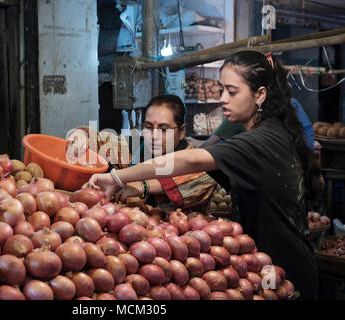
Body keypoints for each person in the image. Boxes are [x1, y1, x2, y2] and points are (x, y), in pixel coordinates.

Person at [85, 50, 321, 300]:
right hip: (266, 268)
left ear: (260, 94)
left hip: (285, 274)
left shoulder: (261, 141)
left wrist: (117, 177)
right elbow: (196, 176)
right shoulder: (268, 133)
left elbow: (192, 160)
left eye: (232, 91)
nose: (223, 99)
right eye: (221, 90)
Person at [66, 94, 217, 213]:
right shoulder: (138, 148)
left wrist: (141, 186)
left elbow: (202, 180)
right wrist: (81, 134)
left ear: (182, 131)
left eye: (164, 129)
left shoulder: (197, 162)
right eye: (148, 127)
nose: (154, 135)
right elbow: (99, 140)